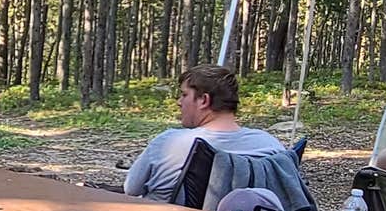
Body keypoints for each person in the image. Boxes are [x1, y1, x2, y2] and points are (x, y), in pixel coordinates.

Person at [122, 65, 289, 201]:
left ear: (204, 100)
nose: (179, 102)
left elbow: (131, 189)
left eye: (184, 94)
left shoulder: (169, 143)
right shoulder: (270, 145)